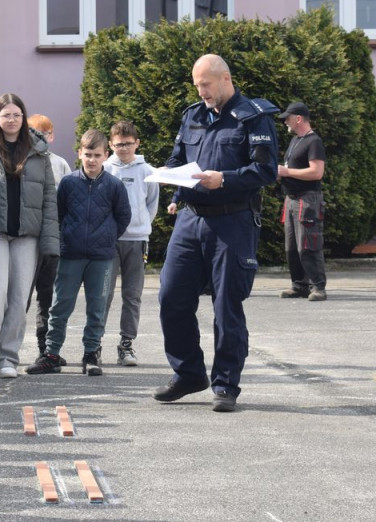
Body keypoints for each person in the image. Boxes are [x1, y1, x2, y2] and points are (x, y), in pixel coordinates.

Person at [154, 54, 278, 412]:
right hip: (190, 220)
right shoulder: (192, 115)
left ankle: (226, 385)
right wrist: (173, 184)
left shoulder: (254, 116)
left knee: (226, 305)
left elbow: (266, 171)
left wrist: (225, 179)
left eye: (206, 84)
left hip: (232, 221)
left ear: (225, 78)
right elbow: (179, 159)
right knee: (171, 296)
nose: (201, 91)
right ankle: (189, 374)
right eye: (197, 85)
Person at [0, 94, 58, 380]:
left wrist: (50, 241)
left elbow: (49, 200)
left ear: (23, 117)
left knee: (18, 298)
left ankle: (7, 358)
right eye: (6, 115)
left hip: (26, 237)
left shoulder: (39, 153)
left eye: (17, 114)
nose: (12, 119)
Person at [26, 129, 130, 376]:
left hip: (102, 258)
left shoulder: (114, 186)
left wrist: (106, 237)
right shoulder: (68, 183)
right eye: (87, 154)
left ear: (106, 155)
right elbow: (58, 215)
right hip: (70, 255)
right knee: (60, 305)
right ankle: (51, 354)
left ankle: (91, 355)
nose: (92, 160)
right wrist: (65, 240)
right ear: (79, 154)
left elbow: (123, 216)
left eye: (97, 155)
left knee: (97, 306)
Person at [103, 120, 159, 366]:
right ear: (111, 144)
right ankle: (94, 343)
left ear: (137, 143)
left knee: (132, 295)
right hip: (109, 242)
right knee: (102, 294)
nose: (123, 148)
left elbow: (151, 205)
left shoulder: (148, 171)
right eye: (118, 144)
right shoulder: (105, 169)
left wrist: (140, 225)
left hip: (137, 241)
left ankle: (126, 345)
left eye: (128, 143)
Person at [25, 114, 73, 361]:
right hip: (27, 240)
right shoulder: (21, 161)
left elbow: (67, 203)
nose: (37, 138)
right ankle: (6, 346)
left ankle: (45, 348)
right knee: (20, 296)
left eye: (42, 134)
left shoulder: (60, 164)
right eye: (32, 133)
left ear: (51, 136)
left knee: (47, 297)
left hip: (52, 240)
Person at [276, 102, 328, 301]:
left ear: (298, 118)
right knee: (291, 246)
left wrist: (286, 171)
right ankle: (299, 285)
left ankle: (318, 287)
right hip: (291, 199)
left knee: (308, 244)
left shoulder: (314, 141)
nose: (285, 122)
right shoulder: (296, 140)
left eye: (287, 118)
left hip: (307, 200)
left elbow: (317, 172)